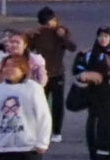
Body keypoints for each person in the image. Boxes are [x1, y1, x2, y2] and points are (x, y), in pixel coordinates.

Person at [28, 7, 77, 141]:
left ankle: (56, 131)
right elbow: (27, 47)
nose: (49, 25)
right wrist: (29, 34)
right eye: (46, 22)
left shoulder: (61, 31)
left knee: (57, 104)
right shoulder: (38, 33)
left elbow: (73, 47)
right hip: (42, 73)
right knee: (40, 103)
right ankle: (40, 129)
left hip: (57, 72)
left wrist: (63, 36)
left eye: (51, 21)